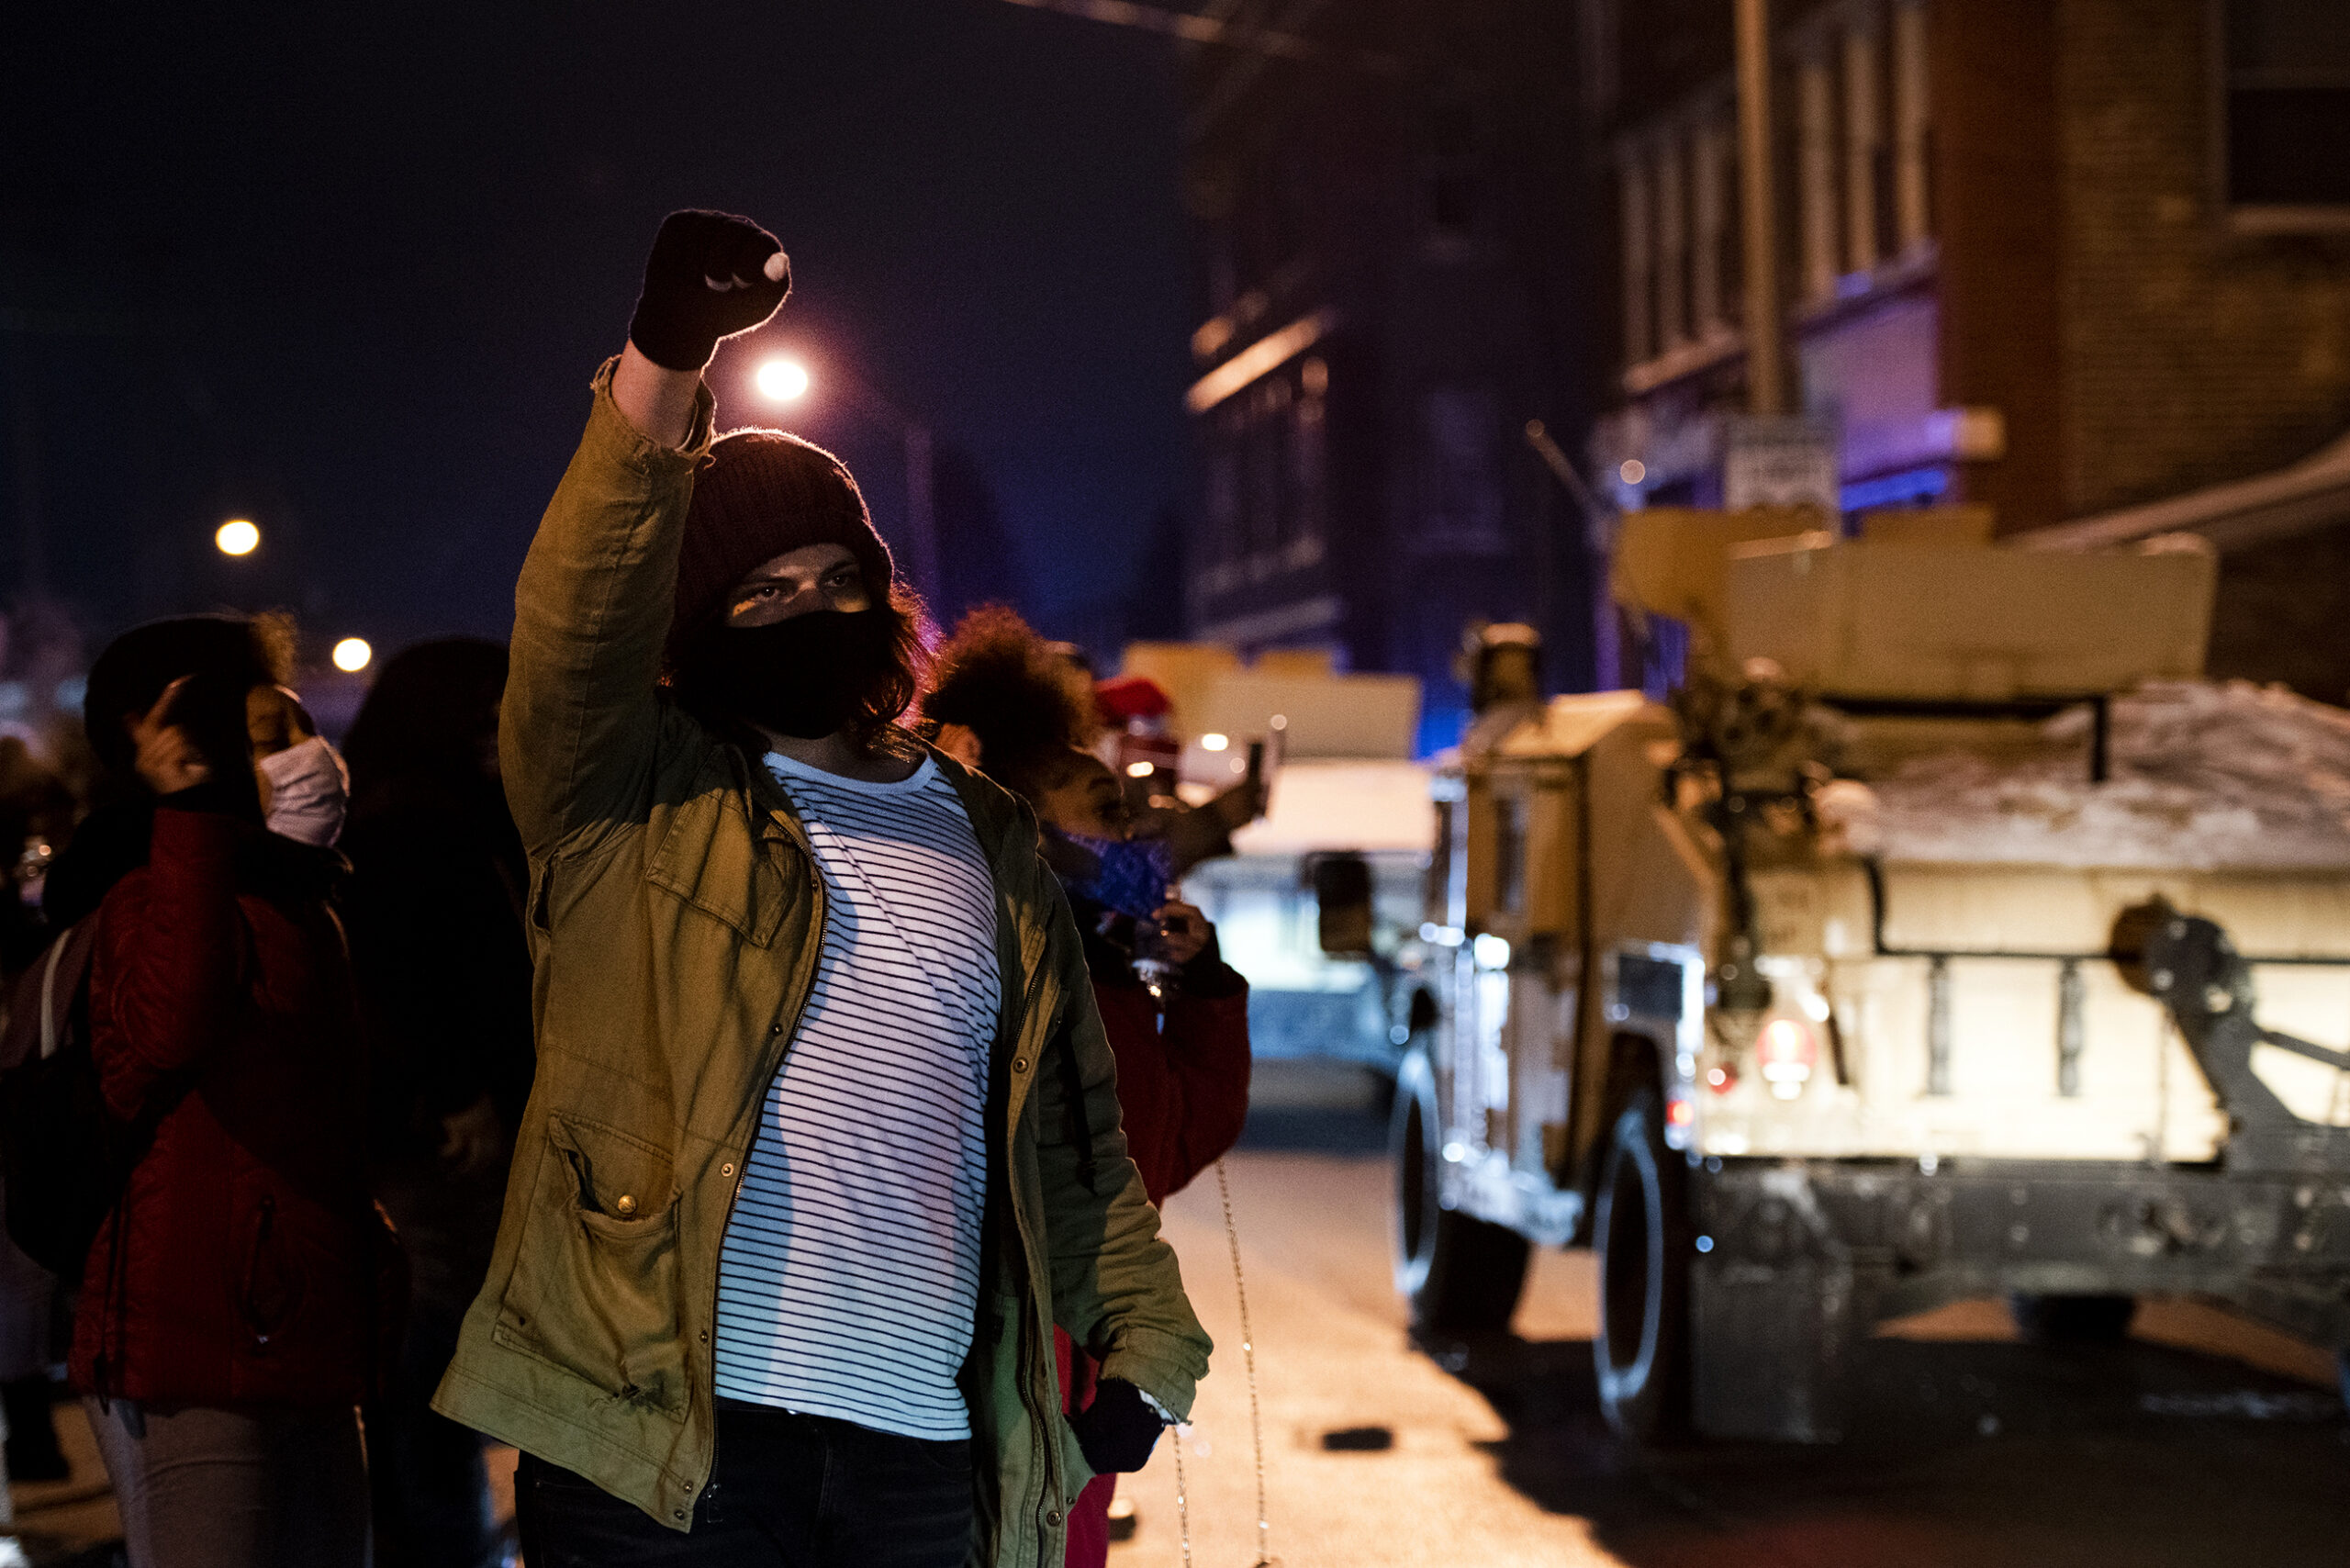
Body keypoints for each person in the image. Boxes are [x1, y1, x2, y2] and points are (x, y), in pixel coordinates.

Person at [431, 209, 1209, 1568]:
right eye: (758, 591)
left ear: (880, 595)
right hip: (666, 1453)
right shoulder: (625, 799)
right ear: (689, 623)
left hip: (918, 1463)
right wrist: (667, 357)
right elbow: (575, 625)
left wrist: (1149, 1347)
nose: (803, 605)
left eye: (833, 578)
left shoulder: (985, 836)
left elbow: (1068, 1139)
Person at [925, 608, 1253, 1568]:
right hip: (995, 1359)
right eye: (1103, 810)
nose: (1134, 832)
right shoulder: (985, 960)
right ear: (1016, 816)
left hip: (1080, 1356)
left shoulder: (1104, 968)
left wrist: (1200, 989)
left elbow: (1169, 1145)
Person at [68, 614, 395, 1568]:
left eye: (300, 725)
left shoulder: (296, 888)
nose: (310, 756)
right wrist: (191, 818)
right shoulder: (146, 885)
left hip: (304, 1331)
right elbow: (167, 1031)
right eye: (269, 735)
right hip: (194, 1340)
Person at [341, 638, 533, 1568]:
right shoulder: (404, 827)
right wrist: (456, 1094)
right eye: (485, 710)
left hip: (475, 1134)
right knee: (432, 1377)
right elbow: (400, 981)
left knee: (444, 1379)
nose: (503, 726)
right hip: (439, 1149)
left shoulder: (474, 818)